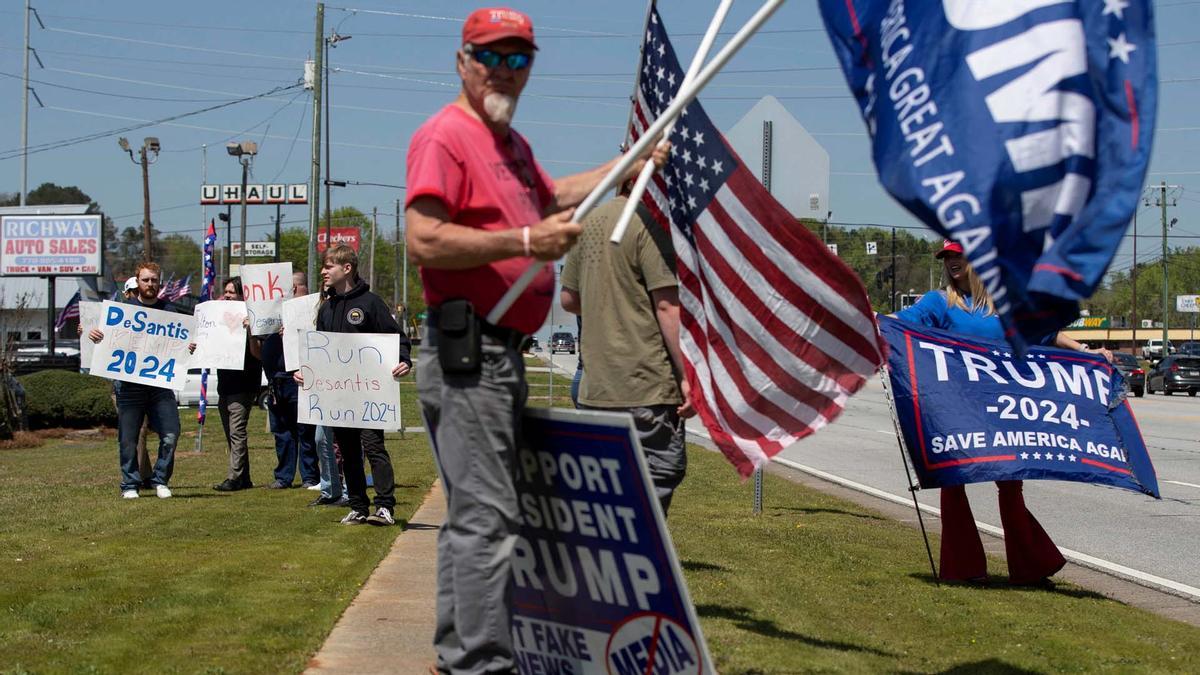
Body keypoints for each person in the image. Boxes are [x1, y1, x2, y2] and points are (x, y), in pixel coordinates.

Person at [404, 7, 668, 671]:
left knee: (477, 515)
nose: (505, 70)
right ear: (461, 61)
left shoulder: (511, 148)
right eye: (491, 55)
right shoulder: (446, 137)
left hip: (498, 355)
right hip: (469, 352)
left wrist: (626, 165)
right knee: (488, 519)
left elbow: (551, 200)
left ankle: (458, 656)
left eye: (519, 58)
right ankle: (479, 662)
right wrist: (522, 242)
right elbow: (423, 237)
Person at [896, 239, 1105, 585]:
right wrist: (872, 320)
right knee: (953, 481)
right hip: (956, 407)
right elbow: (902, 323)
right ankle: (962, 569)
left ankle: (1030, 568)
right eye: (947, 257)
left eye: (958, 255)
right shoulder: (939, 302)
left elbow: (1048, 334)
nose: (951, 262)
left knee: (1010, 485)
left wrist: (1087, 351)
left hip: (1003, 410)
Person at [560, 191, 694, 514]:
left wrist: (607, 303)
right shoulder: (649, 224)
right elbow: (666, 304)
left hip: (597, 388)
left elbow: (568, 299)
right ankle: (634, 560)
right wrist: (687, 375)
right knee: (656, 479)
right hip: (645, 386)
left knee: (608, 490)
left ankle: (610, 557)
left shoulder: (589, 222)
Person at [297, 245, 411, 525]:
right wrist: (306, 372)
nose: (323, 271)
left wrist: (404, 360)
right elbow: (319, 351)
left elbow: (397, 339)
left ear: (347, 268)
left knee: (373, 447)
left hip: (369, 393)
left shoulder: (371, 303)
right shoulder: (327, 308)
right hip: (339, 396)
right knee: (347, 451)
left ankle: (384, 507)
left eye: (328, 266)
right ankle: (359, 506)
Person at [89, 262, 193, 499]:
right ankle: (130, 484)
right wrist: (95, 336)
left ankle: (160, 481)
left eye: (154, 280)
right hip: (128, 387)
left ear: (160, 282)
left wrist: (189, 346)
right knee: (128, 439)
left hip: (160, 387)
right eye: (145, 280)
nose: (150, 284)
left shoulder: (171, 311)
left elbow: (181, 346)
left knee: (170, 434)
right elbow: (107, 343)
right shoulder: (123, 311)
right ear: (138, 282)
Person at [258, 272, 321, 490]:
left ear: (297, 288)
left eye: (291, 288)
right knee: (282, 431)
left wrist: (294, 330)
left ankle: (310, 477)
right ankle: (284, 477)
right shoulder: (273, 314)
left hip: (300, 376)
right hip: (276, 380)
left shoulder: (312, 309)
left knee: (305, 430)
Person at [212, 278, 262, 492]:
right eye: (226, 292)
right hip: (225, 384)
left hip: (244, 384)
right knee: (231, 433)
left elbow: (257, 353)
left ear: (243, 295)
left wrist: (250, 330)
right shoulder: (221, 318)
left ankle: (234, 478)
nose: (227, 295)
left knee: (237, 431)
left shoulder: (252, 320)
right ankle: (245, 477)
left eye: (232, 292)